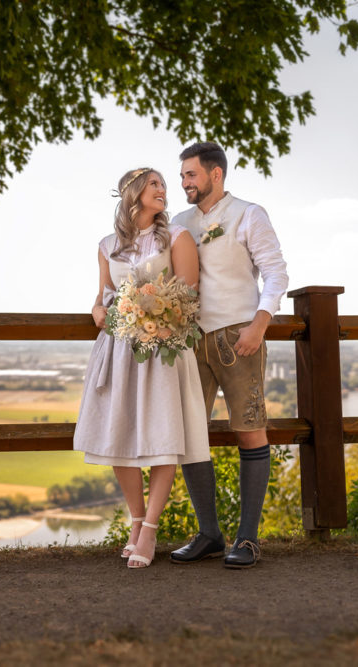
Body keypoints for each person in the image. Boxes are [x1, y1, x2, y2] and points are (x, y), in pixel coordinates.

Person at [73, 167, 211, 569]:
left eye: (164, 186)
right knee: (120, 435)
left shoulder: (176, 238)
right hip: (117, 350)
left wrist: (160, 315)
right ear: (132, 192)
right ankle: (135, 521)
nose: (163, 190)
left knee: (162, 435)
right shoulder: (106, 245)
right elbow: (101, 297)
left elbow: (188, 294)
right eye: (155, 184)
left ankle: (150, 530)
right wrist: (98, 309)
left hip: (162, 348)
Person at [168, 141, 289, 569]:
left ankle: (249, 539)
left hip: (239, 336)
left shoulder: (249, 214)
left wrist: (259, 324)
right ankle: (209, 534)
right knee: (189, 436)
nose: (184, 182)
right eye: (182, 175)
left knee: (250, 430)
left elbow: (276, 273)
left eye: (191, 175)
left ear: (215, 174)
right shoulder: (178, 222)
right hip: (189, 342)